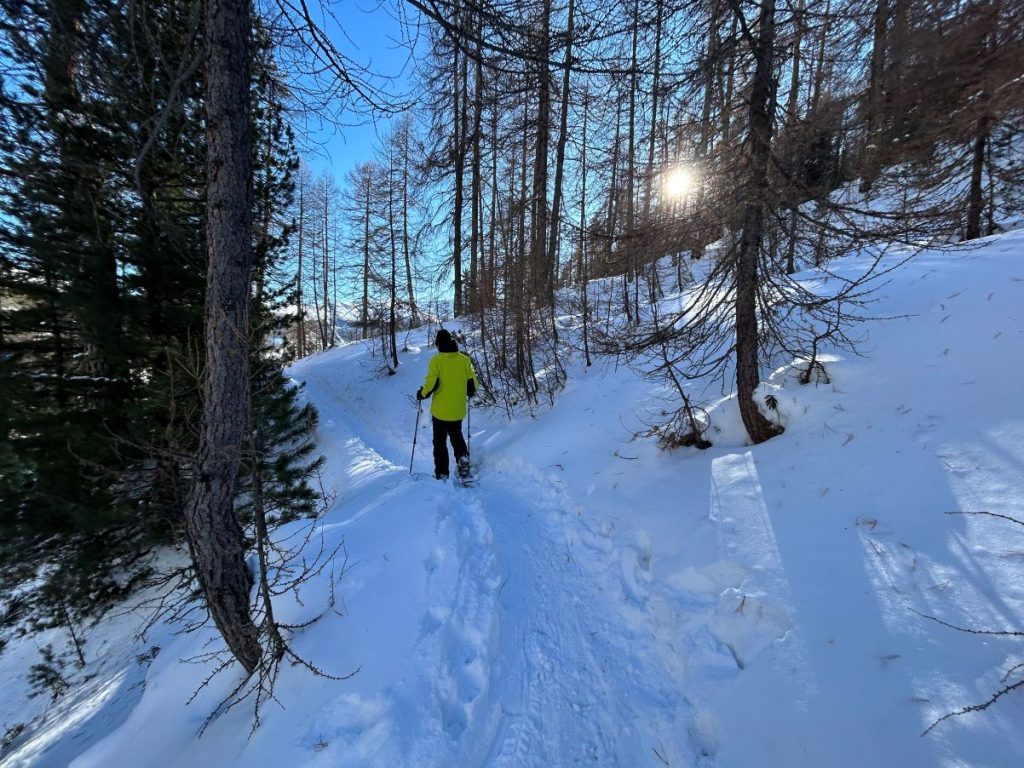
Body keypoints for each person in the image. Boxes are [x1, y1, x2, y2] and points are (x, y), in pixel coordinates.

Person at [417, 329, 478, 481]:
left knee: (439, 443)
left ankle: (442, 473)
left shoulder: (436, 361)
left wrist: (422, 394)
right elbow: (472, 384)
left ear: (438, 344)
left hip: (440, 411)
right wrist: (469, 391)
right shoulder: (464, 360)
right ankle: (463, 459)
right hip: (457, 409)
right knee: (457, 437)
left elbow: (431, 384)